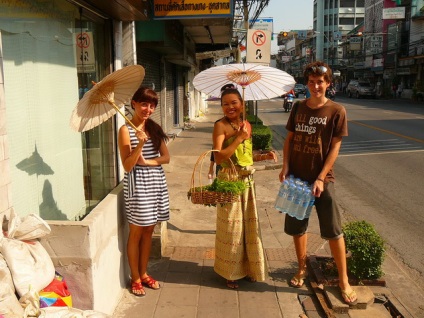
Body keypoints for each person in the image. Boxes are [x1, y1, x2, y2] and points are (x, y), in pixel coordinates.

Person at [278, 61, 357, 305]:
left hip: (323, 180)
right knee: (297, 228)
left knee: (333, 231)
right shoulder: (299, 107)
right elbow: (290, 139)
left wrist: (322, 177)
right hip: (298, 180)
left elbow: (335, 146)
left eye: (320, 82)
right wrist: (285, 166)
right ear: (307, 83)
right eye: (311, 82)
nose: (315, 86)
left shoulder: (336, 111)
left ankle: (344, 280)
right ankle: (301, 269)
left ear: (328, 83)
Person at [212, 86, 276, 289]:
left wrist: (263, 156)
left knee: (249, 228)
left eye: (234, 103)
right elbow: (219, 157)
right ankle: (230, 272)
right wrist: (239, 138)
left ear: (242, 104)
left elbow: (246, 157)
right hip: (229, 181)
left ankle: (248, 268)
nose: (229, 107)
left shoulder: (246, 124)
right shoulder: (220, 126)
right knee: (231, 228)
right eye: (225, 104)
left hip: (247, 182)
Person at [118, 86, 170, 297]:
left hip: (155, 182)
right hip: (137, 185)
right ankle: (135, 277)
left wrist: (148, 161)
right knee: (137, 231)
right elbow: (128, 165)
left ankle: (145, 272)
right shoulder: (125, 130)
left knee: (149, 230)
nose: (148, 109)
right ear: (134, 104)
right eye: (144, 104)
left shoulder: (154, 128)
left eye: (151, 105)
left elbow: (166, 157)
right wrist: (139, 144)